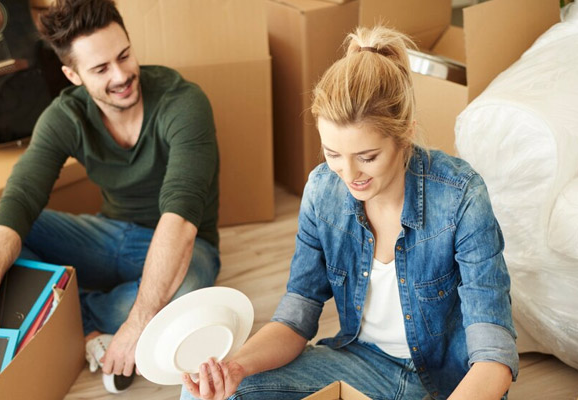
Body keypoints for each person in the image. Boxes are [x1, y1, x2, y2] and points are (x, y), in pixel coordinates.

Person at [181, 26, 518, 400]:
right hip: (364, 365)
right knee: (211, 396)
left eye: (367, 157)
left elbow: (493, 354)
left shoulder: (461, 197)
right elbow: (297, 317)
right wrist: (236, 368)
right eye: (333, 154)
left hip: (453, 381)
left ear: (405, 133)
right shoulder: (322, 191)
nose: (349, 175)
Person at [0, 0, 220, 392]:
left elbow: (181, 220)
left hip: (184, 243)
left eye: (124, 56)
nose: (122, 75)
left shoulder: (183, 103)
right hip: (107, 235)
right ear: (73, 74)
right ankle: (87, 318)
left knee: (191, 284)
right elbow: (19, 200)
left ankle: (65, 316)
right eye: (101, 69)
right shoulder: (65, 116)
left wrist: (136, 324)